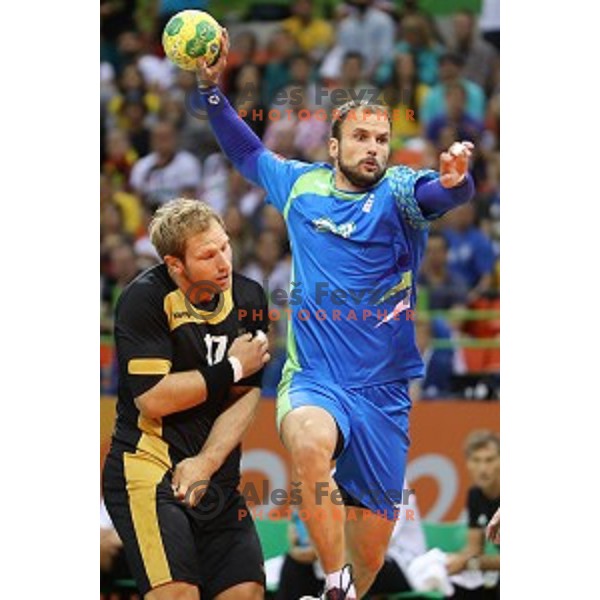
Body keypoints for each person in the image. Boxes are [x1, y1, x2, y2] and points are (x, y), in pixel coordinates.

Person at [194, 31, 475, 600]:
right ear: (334, 145)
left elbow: (443, 195)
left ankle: (350, 582)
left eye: (382, 139)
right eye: (362, 137)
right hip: (315, 379)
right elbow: (248, 153)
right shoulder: (301, 186)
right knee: (308, 441)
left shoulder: (399, 193)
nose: (374, 148)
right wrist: (212, 91)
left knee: (372, 557)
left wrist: (456, 181)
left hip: (384, 396)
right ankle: (334, 582)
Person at [102, 198, 271, 600]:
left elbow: (246, 394)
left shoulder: (248, 297)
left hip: (215, 476)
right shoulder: (144, 298)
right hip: (148, 469)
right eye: (207, 255)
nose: (224, 262)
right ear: (175, 265)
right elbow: (153, 399)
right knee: (178, 595)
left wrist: (206, 463)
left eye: (225, 246)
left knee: (245, 593)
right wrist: (230, 367)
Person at [446, 430, 500, 599]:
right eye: (476, 460)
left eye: (489, 460)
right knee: (454, 588)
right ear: (468, 463)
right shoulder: (475, 495)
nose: (483, 468)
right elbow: (475, 548)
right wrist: (451, 560)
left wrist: (469, 563)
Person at [129, 120, 202, 207]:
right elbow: (138, 202)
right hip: (150, 216)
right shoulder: (142, 165)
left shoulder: (188, 162)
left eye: (166, 137)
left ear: (176, 138)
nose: (163, 141)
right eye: (159, 137)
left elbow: (188, 201)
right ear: (151, 140)